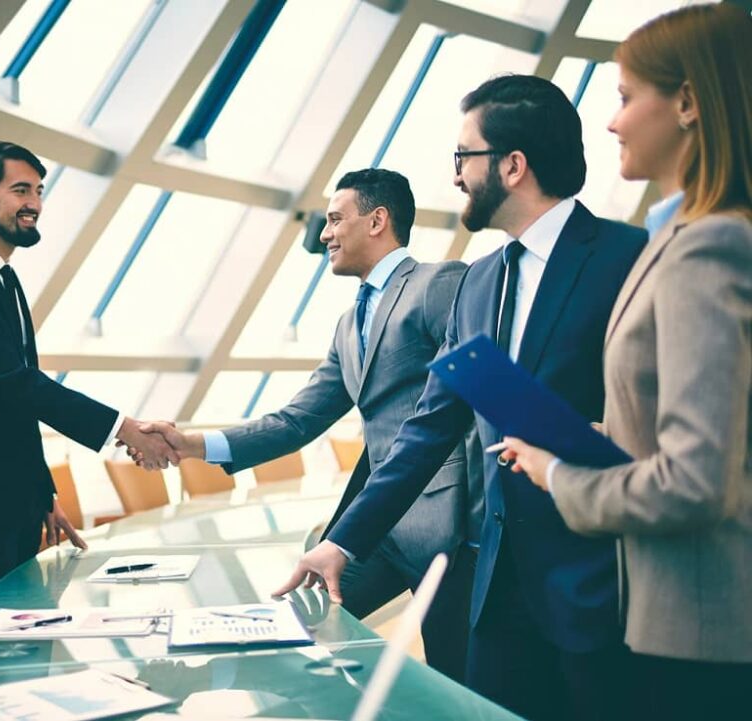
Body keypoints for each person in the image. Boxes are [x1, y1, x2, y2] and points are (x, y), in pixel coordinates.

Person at [276, 75, 648, 721]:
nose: (454, 177)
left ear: (512, 164)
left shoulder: (630, 258)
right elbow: (427, 430)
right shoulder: (478, 282)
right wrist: (341, 542)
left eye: (462, 158)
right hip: (498, 590)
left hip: (601, 586)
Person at [502, 5, 752, 720]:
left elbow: (695, 482)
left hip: (703, 637)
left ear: (688, 102)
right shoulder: (687, 240)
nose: (610, 122)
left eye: (623, 96)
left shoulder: (709, 247)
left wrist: (559, 474)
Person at [138, 168, 481, 681]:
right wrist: (190, 444)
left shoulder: (437, 283)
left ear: (377, 221)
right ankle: (206, 675)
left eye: (336, 219)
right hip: (379, 528)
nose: (324, 234)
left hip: (448, 530)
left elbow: (476, 400)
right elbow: (297, 420)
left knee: (458, 681)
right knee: (297, 622)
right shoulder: (349, 324)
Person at [0, 140, 178, 607]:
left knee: (28, 624)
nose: (34, 204)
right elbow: (16, 385)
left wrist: (41, 494)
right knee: (2, 634)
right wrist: (124, 428)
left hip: (7, 492)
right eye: (21, 190)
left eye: (39, 191)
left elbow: (10, 404)